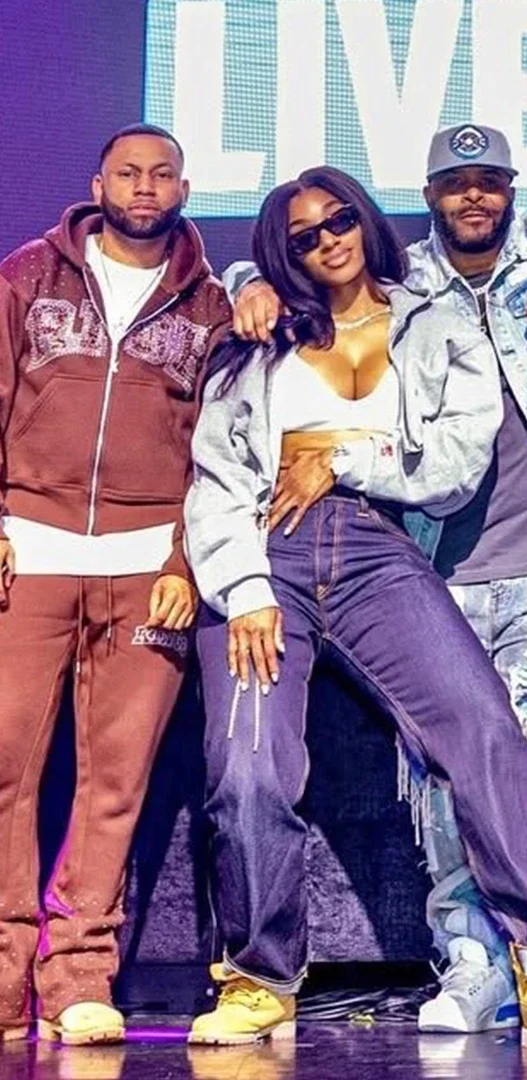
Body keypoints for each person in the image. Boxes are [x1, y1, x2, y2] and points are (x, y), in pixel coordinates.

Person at [226, 125, 527, 1033]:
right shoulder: (407, 286)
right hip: (432, 561)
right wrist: (251, 282)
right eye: (454, 183)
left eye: (488, 180)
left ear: (512, 187)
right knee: (438, 775)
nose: (473, 196)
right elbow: (288, 277)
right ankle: (475, 960)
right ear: (429, 195)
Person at [0, 124, 231, 1045]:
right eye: (128, 173)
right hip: (29, 548)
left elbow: (221, 449)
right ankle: (4, 974)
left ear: (184, 188)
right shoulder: (28, 277)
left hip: (147, 567)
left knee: (116, 781)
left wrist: (184, 560)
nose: (144, 187)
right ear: (98, 185)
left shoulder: (211, 304)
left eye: (161, 174)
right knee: (5, 767)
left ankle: (78, 976)